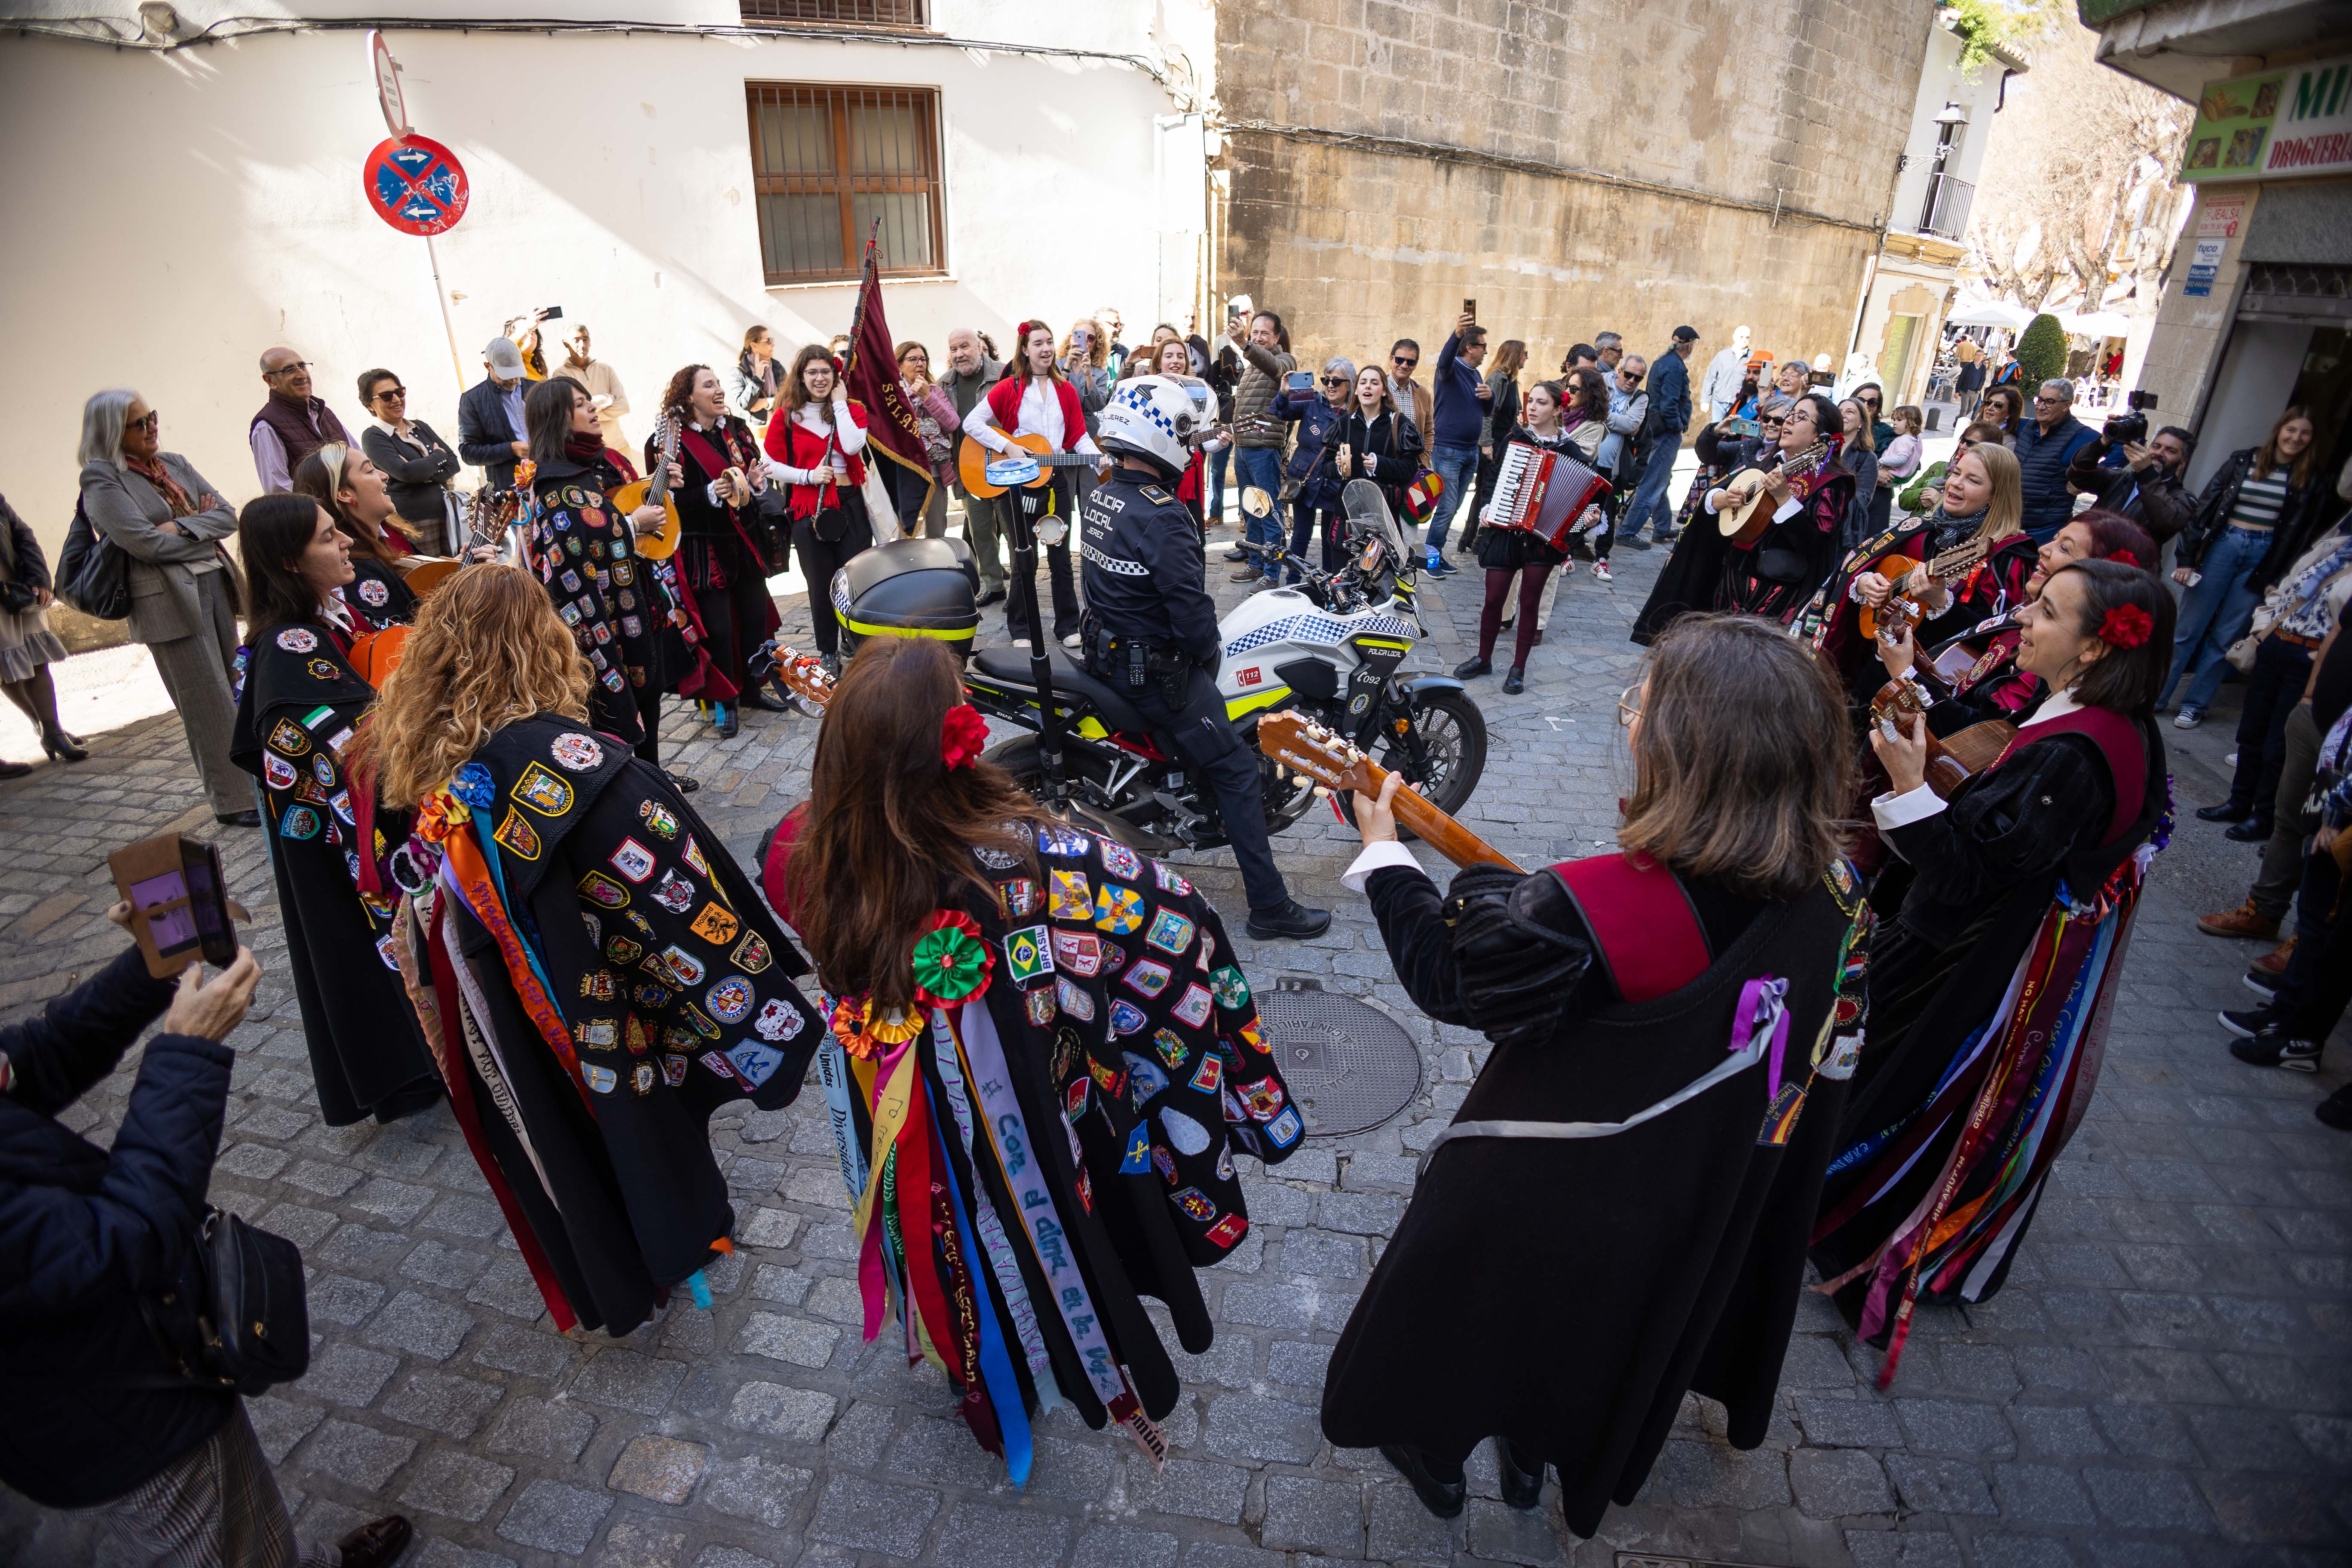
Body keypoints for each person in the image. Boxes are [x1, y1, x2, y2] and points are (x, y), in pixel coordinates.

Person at [1321, 613, 1867, 1528]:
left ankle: (1435, 1454)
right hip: (1681, 1190)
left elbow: (1451, 979)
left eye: (1639, 708)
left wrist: (1383, 852)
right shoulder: (1840, 892)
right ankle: (1531, 1454)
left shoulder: (1597, 905)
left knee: (1463, 1319)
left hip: (1540, 1173)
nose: (1630, 721)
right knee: (1578, 1338)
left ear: (1686, 751)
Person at [757, 634, 1298, 1465]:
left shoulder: (796, 851)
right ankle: (1047, 1350)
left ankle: (970, 1359)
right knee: (1030, 1219)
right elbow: (1178, 916)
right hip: (1024, 1117)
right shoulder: (1037, 860)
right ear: (959, 738)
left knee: (937, 1221)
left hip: (898, 1103)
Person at [356, 564, 821, 1338]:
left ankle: (622, 1247)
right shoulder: (573, 761)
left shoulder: (427, 757)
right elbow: (679, 894)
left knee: (570, 1119)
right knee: (638, 1110)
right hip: (594, 986)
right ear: (541, 642)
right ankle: (680, 1233)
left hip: (510, 993)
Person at [1816, 560, 2172, 1383]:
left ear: (2093, 648)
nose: (2023, 619)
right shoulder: (2108, 723)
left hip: (1967, 959)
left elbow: (1967, 873)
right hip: (2000, 946)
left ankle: (1850, 1209)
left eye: (2045, 611)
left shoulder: (2075, 753)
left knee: (1896, 1070)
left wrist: (1909, 782)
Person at [0, 907, 414, 1568]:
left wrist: (155, 960)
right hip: (117, 1412)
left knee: (246, 1516)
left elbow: (35, 1062)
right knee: (223, 1542)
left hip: (134, 1359)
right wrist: (187, 1054)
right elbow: (125, 1242)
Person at [1079, 376, 1332, 941]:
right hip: (1151, 676)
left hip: (1105, 655)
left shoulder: (1102, 494)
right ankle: (1270, 907)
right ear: (1160, 437)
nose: (1192, 450)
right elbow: (1193, 619)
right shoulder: (1162, 515)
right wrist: (1208, 652)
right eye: (1187, 438)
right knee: (1238, 771)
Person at [230, 492, 444, 1125]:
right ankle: (411, 1064)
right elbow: (352, 743)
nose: (345, 540)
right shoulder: (288, 647)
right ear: (289, 562)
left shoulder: (326, 621)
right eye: (327, 537)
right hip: (339, 847)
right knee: (360, 948)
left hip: (355, 836)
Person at [78, 389, 252, 825]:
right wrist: (200, 529)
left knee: (235, 686)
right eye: (139, 423)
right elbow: (144, 543)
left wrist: (179, 527)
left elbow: (228, 516)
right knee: (206, 702)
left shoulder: (174, 463)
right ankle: (234, 801)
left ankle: (258, 782)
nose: (152, 427)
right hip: (167, 601)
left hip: (214, 583)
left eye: (151, 416)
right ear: (112, 432)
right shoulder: (102, 478)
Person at [2217, 626, 2352, 1118]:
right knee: (2321, 925)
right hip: (2334, 779)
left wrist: (2340, 810)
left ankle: (2296, 1033)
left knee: (2330, 931)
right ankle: (2291, 1023)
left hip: (2343, 807)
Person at [522, 375, 674, 755]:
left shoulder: (584, 469)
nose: (592, 407)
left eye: (589, 400)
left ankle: (654, 774)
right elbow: (570, 562)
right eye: (579, 404)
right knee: (620, 724)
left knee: (649, 703)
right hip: (604, 631)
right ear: (556, 419)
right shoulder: (557, 488)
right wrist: (632, 526)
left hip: (630, 609)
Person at [2161, 407, 2328, 729]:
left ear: (2312, 439)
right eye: (2291, 430)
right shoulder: (2243, 461)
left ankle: (2195, 705)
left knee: (2227, 637)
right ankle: (2158, 696)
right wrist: (2187, 559)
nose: (2296, 438)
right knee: (2187, 630)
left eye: (2305, 433)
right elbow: (2204, 508)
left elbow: (2302, 536)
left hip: (2264, 556)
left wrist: (2279, 577)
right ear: (2279, 430)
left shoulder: (2311, 479)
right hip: (2224, 545)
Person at [2194, 517, 2352, 843]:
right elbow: (2282, 593)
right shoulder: (2329, 549)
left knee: (2278, 744)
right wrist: (2261, 631)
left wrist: (2321, 655)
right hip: (2276, 645)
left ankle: (2264, 815)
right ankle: (2239, 801)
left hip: (2309, 658)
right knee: (2251, 731)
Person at [659, 363, 783, 735]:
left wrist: (755, 483)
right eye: (708, 385)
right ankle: (725, 703)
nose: (719, 391)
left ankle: (753, 690)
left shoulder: (737, 430)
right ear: (688, 397)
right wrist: (709, 493)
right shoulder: (668, 443)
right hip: (704, 550)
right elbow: (667, 502)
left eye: (718, 384)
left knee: (755, 619)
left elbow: (750, 479)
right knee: (719, 629)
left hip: (744, 541)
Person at [1454, 375, 1597, 691]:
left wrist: (1588, 519)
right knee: (1494, 598)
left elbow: (1589, 498)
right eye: (1531, 401)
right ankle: (1483, 658)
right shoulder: (1515, 439)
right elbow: (1492, 479)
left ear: (1557, 410)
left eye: (1541, 403)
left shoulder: (1571, 451)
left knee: (1530, 602)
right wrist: (1488, 507)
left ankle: (1518, 668)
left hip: (1542, 540)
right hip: (1506, 530)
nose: (1532, 408)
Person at [965, 322, 1093, 645]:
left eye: (1049, 342)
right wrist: (1008, 446)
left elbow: (1078, 435)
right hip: (1019, 484)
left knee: (1061, 556)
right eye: (1038, 343)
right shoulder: (1009, 388)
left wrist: (1098, 458)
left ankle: (1068, 627)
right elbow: (972, 423)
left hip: (1056, 483)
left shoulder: (1066, 390)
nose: (1046, 349)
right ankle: (1021, 628)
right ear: (1025, 349)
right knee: (1025, 556)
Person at [764, 342, 879, 666]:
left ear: (835, 375)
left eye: (826, 372)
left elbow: (853, 446)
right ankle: (828, 651)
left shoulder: (852, 410)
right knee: (820, 583)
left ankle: (857, 644)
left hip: (850, 504)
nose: (819, 378)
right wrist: (808, 476)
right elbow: (768, 464)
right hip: (809, 510)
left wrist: (839, 403)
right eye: (812, 372)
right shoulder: (787, 416)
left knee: (857, 580)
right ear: (801, 376)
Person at [1705, 391, 1854, 625]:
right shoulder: (1768, 461)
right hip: (1732, 579)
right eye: (1790, 414)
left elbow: (1815, 543)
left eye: (1801, 417)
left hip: (1777, 593)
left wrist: (1785, 499)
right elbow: (1717, 492)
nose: (1789, 421)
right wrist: (1723, 498)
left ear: (1819, 436)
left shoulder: (1832, 482)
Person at [290, 443, 423, 627]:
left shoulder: (391, 536)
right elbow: (407, 631)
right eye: (370, 471)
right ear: (345, 494)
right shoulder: (354, 568)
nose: (385, 476)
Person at [0, 491, 80, 769]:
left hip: (16, 588)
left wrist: (39, 579)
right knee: (5, 666)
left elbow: (23, 535)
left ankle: (53, 733)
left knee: (36, 660)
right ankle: (44, 728)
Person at [358, 367, 467, 553]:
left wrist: (424, 474)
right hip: (415, 522)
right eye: (386, 396)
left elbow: (454, 463)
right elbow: (407, 472)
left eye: (399, 392)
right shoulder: (374, 437)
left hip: (448, 513)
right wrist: (438, 456)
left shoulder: (420, 427)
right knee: (432, 570)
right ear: (370, 405)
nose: (396, 399)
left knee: (458, 565)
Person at [1225, 310, 1297, 586]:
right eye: (1254, 332)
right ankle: (1255, 564)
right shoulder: (1251, 366)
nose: (1258, 338)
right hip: (1243, 447)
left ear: (1276, 337)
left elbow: (1275, 368)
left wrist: (1245, 344)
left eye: (1264, 333)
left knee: (1269, 511)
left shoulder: (1285, 360)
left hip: (1265, 449)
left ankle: (1272, 573)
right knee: (1251, 510)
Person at [939, 327, 1008, 605]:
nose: (959, 354)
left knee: (1013, 530)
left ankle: (1022, 587)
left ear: (979, 347)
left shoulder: (1003, 375)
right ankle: (994, 585)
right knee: (980, 532)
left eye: (965, 347)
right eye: (954, 349)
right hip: (968, 470)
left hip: (1004, 465)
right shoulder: (945, 383)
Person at [1276, 354, 1356, 574]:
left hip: (1334, 482)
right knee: (1301, 534)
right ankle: (1293, 581)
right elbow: (1282, 412)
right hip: (1305, 478)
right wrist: (1284, 393)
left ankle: (1329, 583)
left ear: (1350, 385)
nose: (1330, 386)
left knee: (1330, 538)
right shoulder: (1311, 398)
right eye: (1326, 380)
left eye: (1336, 381)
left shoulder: (1354, 414)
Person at [1424, 312, 1491, 576]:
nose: (1486, 351)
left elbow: (1485, 412)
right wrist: (1457, 334)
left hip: (1470, 451)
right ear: (1470, 347)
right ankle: (1430, 560)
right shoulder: (1450, 370)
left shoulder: (1476, 374)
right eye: (1483, 346)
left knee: (1454, 507)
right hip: (1449, 451)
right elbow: (1444, 360)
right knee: (1447, 507)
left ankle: (1437, 554)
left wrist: (1490, 398)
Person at [1620, 325, 1697, 548]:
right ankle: (1627, 532)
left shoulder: (1663, 362)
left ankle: (1662, 528)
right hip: (1666, 433)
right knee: (1654, 483)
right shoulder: (1674, 367)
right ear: (1690, 345)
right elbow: (1669, 405)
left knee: (1660, 480)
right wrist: (1678, 427)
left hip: (1657, 429)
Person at [1323, 364, 1424, 533]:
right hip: (1348, 515)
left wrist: (1380, 465)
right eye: (1363, 383)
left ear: (1384, 391)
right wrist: (1339, 468)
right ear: (1356, 391)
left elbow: (1410, 469)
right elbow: (1326, 468)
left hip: (1385, 516)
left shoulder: (1399, 424)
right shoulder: (1343, 424)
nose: (1368, 386)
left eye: (1375, 383)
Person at [2066, 421, 2195, 543]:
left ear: (2182, 464)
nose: (2159, 453)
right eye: (2156, 447)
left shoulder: (2182, 498)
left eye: (2171, 451)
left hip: (2132, 559)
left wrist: (2147, 473)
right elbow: (2078, 475)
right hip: (2090, 550)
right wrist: (2102, 442)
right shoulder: (2121, 478)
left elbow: (2166, 523)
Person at [249, 347, 352, 494]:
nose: (302, 375)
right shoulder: (266, 426)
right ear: (270, 380)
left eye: (302, 366)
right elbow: (279, 490)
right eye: (289, 370)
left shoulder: (323, 413)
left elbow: (358, 457)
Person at [888, 339, 961, 538]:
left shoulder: (935, 391)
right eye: (913, 359)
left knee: (937, 532)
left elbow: (952, 424)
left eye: (923, 359)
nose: (920, 364)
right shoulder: (892, 395)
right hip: (904, 472)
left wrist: (927, 397)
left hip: (934, 472)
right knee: (904, 532)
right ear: (899, 365)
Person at [2012, 380, 2098, 542]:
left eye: (2050, 402)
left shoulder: (2079, 435)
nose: (2041, 407)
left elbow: (2120, 448)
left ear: (2067, 405)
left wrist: (2086, 478)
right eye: (2040, 400)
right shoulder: (2025, 426)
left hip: (2045, 529)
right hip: (2012, 522)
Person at [1465, 337, 1528, 548]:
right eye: (1524, 354)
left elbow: (1513, 413)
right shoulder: (1497, 379)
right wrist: (1486, 444)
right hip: (1494, 444)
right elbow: (1486, 414)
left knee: (1492, 490)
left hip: (1505, 442)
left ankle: (1478, 538)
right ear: (1515, 356)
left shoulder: (1511, 381)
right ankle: (1481, 539)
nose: (1527, 358)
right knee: (1489, 490)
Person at [458, 336, 533, 493]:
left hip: (547, 476)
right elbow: (468, 452)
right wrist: (510, 449)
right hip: (509, 489)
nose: (513, 380)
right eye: (505, 375)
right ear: (488, 367)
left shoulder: (537, 389)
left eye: (517, 373)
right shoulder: (473, 400)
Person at [553, 322, 631, 451]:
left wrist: (587, 413)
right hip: (589, 450)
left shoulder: (606, 370)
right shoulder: (561, 375)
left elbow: (624, 407)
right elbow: (571, 414)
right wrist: (608, 399)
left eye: (585, 339)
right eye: (577, 340)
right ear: (566, 343)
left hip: (619, 446)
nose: (582, 345)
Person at [1899, 420, 2003, 516]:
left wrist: (1939, 501)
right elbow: (1903, 500)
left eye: (1971, 444)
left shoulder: (1988, 481)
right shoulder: (1939, 467)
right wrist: (1923, 494)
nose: (1963, 446)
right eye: (1963, 441)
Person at [1059, 318, 1115, 440]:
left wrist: (1088, 375)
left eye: (1090, 338)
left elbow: (1099, 405)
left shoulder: (1100, 373)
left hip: (1088, 429)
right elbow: (1051, 395)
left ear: (1095, 345)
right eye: (1080, 336)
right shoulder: (1056, 365)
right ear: (1071, 338)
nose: (1085, 341)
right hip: (1060, 427)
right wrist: (1067, 367)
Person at [1838, 397, 1881, 552]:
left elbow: (1863, 498)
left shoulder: (1867, 458)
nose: (1843, 415)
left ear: (1861, 423)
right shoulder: (1822, 448)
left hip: (1841, 532)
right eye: (1839, 411)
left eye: (1850, 412)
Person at [727, 325, 781, 429]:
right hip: (757, 430)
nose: (773, 345)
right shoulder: (737, 372)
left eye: (772, 340)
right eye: (769, 341)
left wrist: (768, 402)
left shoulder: (777, 367)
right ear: (754, 346)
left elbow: (790, 398)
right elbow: (744, 405)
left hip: (779, 424)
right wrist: (757, 378)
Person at [1700, 323, 1753, 421]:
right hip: (1719, 402)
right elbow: (1711, 378)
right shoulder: (1722, 356)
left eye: (1747, 337)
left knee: (1734, 429)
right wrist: (1705, 401)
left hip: (1738, 403)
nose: (1744, 340)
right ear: (1734, 337)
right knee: (1716, 428)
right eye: (1741, 337)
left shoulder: (1752, 358)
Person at [1387, 338, 1432, 441]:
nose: (1404, 365)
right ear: (1391, 359)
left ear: (1415, 365)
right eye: (1400, 360)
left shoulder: (1423, 394)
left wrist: (1425, 452)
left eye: (1411, 362)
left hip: (1414, 452)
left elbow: (1428, 432)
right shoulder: (1378, 389)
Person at [505, 312, 552, 380]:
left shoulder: (537, 370)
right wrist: (527, 327)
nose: (530, 332)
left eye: (534, 330)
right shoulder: (504, 364)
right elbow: (504, 348)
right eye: (522, 329)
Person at [1978, 383, 2024, 448]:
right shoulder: (1973, 429)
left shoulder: (2008, 442)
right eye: (1988, 402)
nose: (1990, 408)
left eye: (1998, 405)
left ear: (2009, 414)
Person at [1952, 333, 1985, 418]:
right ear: (1975, 356)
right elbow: (1961, 379)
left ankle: (1958, 419)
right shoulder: (1969, 366)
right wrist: (1957, 391)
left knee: (1970, 409)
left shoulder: (1983, 368)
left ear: (1983, 357)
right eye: (1977, 355)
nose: (1979, 357)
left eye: (1981, 356)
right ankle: (1959, 423)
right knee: (1964, 409)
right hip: (1966, 390)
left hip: (1976, 392)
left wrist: (1979, 389)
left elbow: (1983, 379)